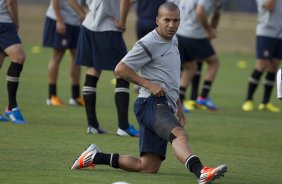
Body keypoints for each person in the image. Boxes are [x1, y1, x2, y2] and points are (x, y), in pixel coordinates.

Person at [70, 3, 227, 184]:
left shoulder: (173, 39)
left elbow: (169, 79)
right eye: (166, 20)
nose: (171, 25)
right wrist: (148, 84)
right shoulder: (148, 42)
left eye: (175, 21)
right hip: (152, 103)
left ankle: (95, 157)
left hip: (162, 104)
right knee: (179, 135)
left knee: (147, 167)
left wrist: (178, 106)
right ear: (157, 20)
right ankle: (201, 172)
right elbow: (120, 69)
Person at [75, 0, 139, 136]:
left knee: (92, 70)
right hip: (109, 28)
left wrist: (81, 13)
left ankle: (92, 125)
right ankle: (123, 127)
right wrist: (122, 22)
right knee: (122, 73)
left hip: (88, 26)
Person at [176, 0, 225, 111]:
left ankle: (179, 101)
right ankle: (203, 96)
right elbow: (200, 11)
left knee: (190, 68)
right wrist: (208, 30)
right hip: (194, 34)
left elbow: (216, 15)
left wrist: (211, 31)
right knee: (214, 62)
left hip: (179, 33)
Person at [43, 0, 86, 107]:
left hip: (75, 21)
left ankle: (75, 97)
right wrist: (59, 20)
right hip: (60, 19)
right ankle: (52, 96)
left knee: (77, 56)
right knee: (57, 55)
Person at [242, 0, 282, 112]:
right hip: (266, 32)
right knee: (261, 65)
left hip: (280, 33)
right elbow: (269, 6)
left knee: (274, 66)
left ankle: (265, 102)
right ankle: (248, 100)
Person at [0, 0, 26, 124]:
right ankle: (11, 106)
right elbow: (11, 2)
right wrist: (16, 24)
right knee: (18, 57)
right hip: (4, 23)